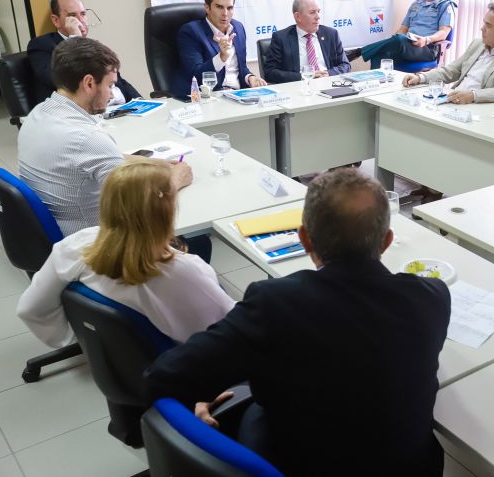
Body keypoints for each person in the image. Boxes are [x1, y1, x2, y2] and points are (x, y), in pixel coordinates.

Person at [144, 169, 451, 476]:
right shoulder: (433, 298)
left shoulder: (272, 304)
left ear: (304, 238)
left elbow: (163, 377)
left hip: (299, 460)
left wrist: (195, 397)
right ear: (386, 241)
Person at [17, 159, 235, 348]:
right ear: (167, 209)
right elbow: (231, 330)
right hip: (187, 372)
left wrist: (88, 339)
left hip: (135, 365)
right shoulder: (184, 271)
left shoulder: (75, 246)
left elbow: (29, 308)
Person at [18, 37, 193, 238]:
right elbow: (144, 205)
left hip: (56, 233)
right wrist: (177, 178)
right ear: (89, 83)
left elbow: (88, 160)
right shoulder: (88, 139)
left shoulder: (37, 114)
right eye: (110, 85)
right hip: (94, 246)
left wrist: (152, 163)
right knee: (197, 242)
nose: (111, 95)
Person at [402, 1, 494, 106]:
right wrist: (421, 78)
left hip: (480, 110)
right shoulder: (478, 44)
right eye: (484, 22)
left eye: (488, 25)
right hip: (454, 102)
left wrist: (473, 95)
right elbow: (451, 70)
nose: (482, 28)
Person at [27, 0, 139, 106]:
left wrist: (141, 102)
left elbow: (119, 81)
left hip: (114, 110)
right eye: (72, 16)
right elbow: (65, 81)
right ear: (56, 20)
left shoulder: (94, 46)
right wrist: (75, 39)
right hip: (71, 114)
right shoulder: (41, 45)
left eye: (83, 14)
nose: (81, 20)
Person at [170, 0, 266, 98]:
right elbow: (195, 75)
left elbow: (240, 67)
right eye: (219, 7)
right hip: (208, 97)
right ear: (207, 7)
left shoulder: (238, 28)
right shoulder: (191, 32)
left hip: (237, 95)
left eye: (229, 8)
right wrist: (221, 58)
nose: (225, 14)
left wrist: (250, 77)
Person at [358, 0, 455, 70]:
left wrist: (426, 40)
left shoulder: (446, 5)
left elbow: (444, 32)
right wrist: (394, 40)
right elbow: (403, 29)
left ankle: (360, 51)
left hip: (427, 48)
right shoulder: (416, 5)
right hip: (409, 45)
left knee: (400, 39)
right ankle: (379, 84)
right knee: (379, 55)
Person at [262, 0, 350, 84]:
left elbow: (345, 65)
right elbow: (270, 72)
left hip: (329, 84)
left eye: (318, 11)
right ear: (298, 17)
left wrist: (329, 73)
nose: (318, 16)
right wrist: (304, 76)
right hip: (298, 88)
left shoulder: (331, 34)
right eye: (312, 12)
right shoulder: (281, 38)